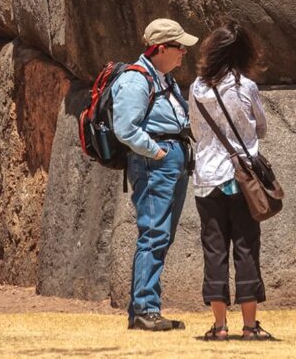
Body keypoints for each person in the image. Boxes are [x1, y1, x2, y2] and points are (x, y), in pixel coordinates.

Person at [112, 17, 199, 331]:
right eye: (179, 47)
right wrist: (157, 151)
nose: (184, 52)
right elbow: (125, 128)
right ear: (161, 48)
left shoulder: (165, 79)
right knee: (153, 234)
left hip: (172, 160)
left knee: (161, 235)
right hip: (154, 162)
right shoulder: (136, 80)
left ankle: (144, 307)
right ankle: (145, 309)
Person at [189, 21, 273, 342]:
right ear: (244, 52)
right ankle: (250, 326)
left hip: (207, 179)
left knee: (214, 250)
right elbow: (261, 127)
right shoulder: (245, 87)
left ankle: (219, 326)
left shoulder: (197, 88)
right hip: (242, 180)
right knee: (246, 247)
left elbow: (196, 130)